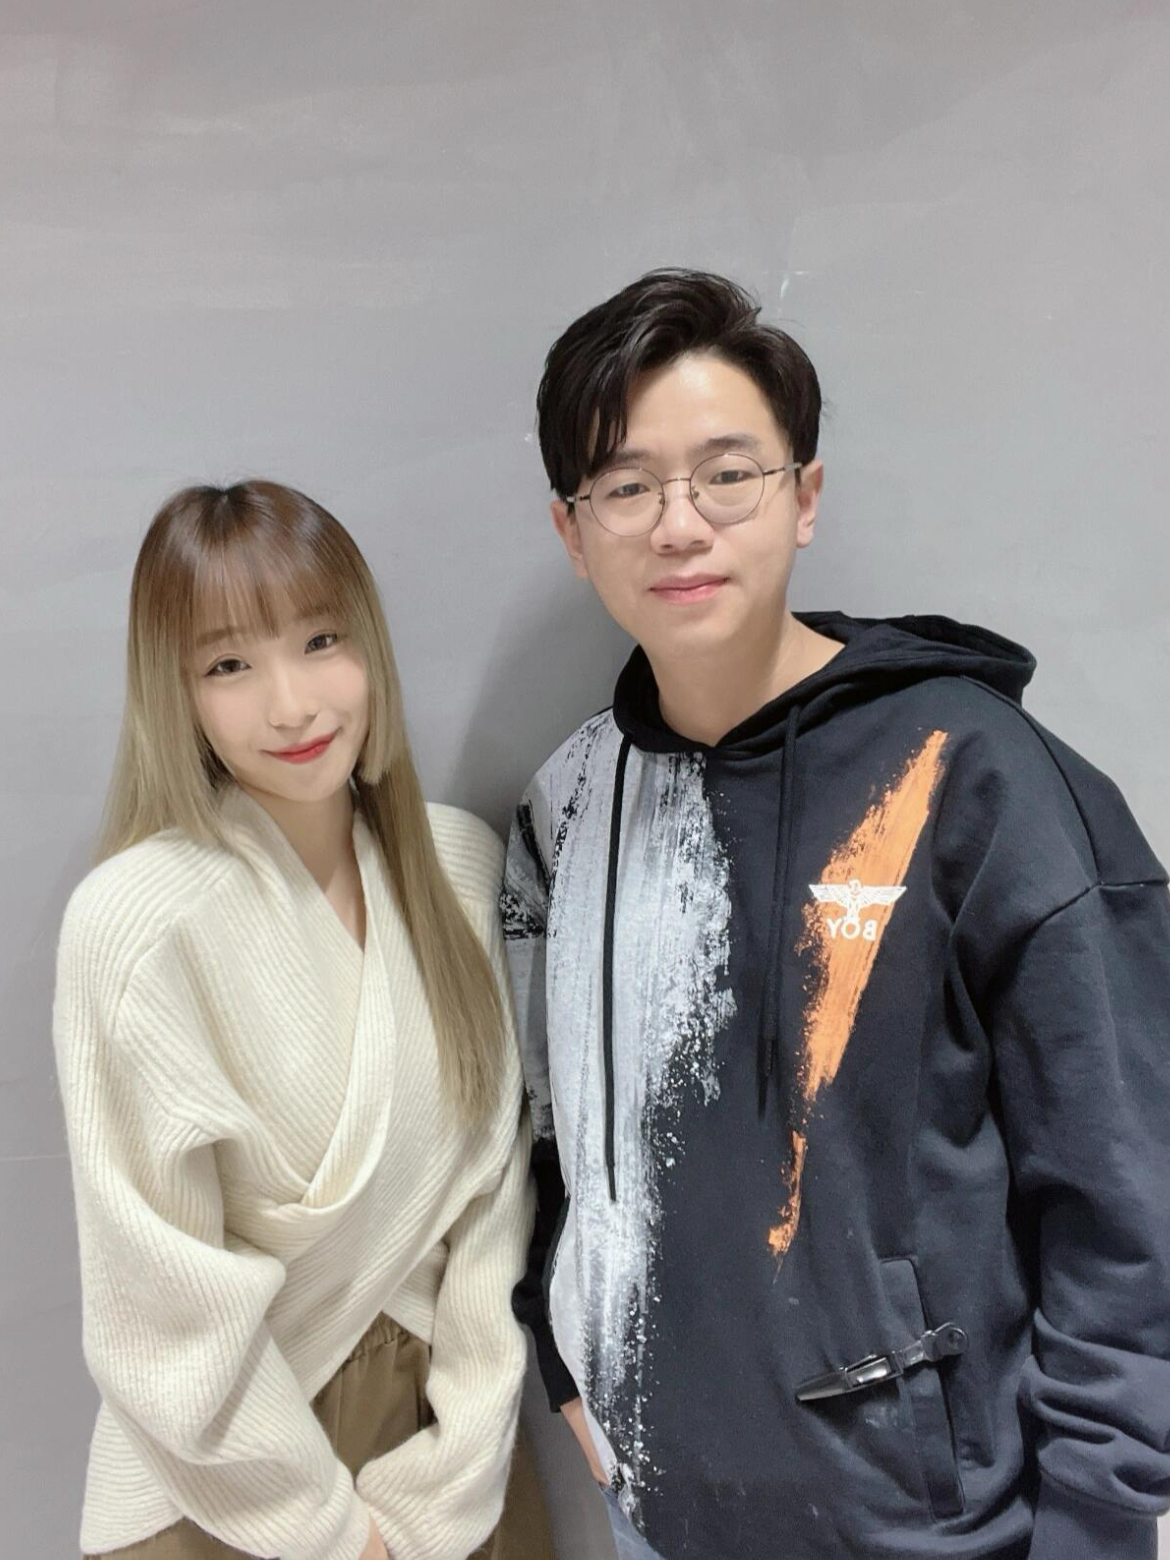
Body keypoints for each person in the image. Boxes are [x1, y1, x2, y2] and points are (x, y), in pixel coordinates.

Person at [501, 269, 1170, 1560]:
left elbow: (1126, 1195)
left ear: (804, 496)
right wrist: (562, 1352)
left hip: (930, 1532)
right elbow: (541, 1136)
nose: (678, 525)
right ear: (572, 531)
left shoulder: (971, 775)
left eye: (726, 475)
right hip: (656, 1518)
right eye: (625, 488)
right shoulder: (568, 801)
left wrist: (1097, 1524)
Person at [53, 481, 554, 1560]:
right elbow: (162, 1299)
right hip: (228, 1476)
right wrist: (334, 1535)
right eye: (228, 665)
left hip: (454, 1460)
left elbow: (494, 1213)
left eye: (322, 641)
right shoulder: (134, 923)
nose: (290, 705)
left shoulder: (460, 868)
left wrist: (450, 1481)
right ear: (175, 690)